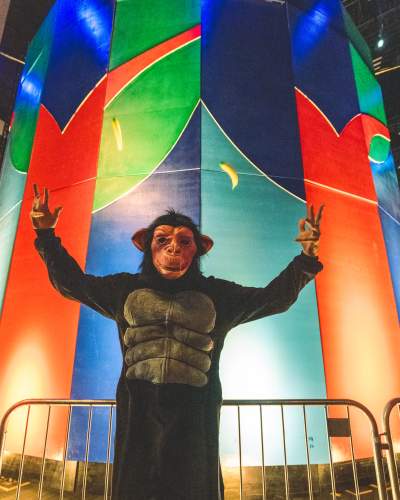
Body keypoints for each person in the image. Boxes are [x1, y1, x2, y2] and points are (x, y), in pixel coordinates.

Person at [31, 183, 324, 500]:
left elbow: (273, 299)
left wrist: (307, 258)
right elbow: (72, 283)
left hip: (195, 416)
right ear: (146, 245)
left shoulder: (217, 295)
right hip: (138, 414)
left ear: (198, 249)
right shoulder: (123, 290)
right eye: (163, 240)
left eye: (184, 241)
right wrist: (46, 236)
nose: (173, 249)